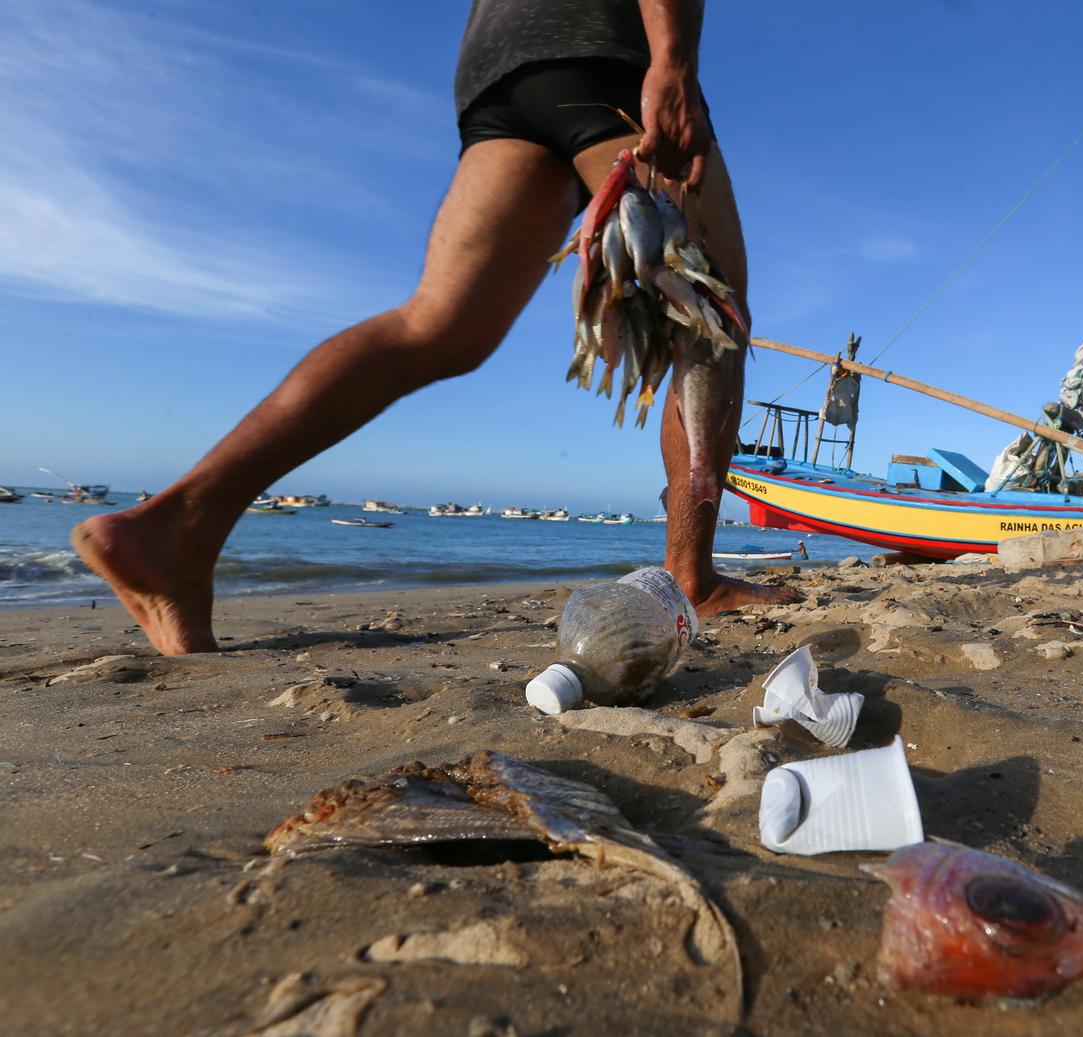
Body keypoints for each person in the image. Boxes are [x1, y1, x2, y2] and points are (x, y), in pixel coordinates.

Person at [72, 0, 795, 656]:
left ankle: (178, 526)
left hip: (497, 67)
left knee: (438, 325)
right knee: (709, 311)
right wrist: (671, 62)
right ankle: (690, 576)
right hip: (598, 52)